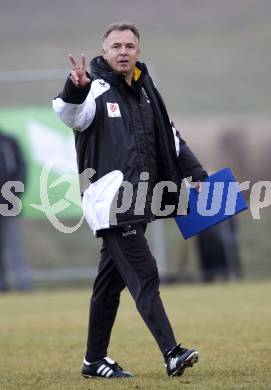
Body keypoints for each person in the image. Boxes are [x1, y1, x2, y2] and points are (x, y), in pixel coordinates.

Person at [53, 22, 208, 379]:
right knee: (145, 273)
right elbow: (71, 114)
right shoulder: (94, 88)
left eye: (130, 46)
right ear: (104, 52)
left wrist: (198, 176)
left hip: (143, 201)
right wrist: (73, 89)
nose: (123, 51)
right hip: (112, 203)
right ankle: (172, 351)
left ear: (138, 51)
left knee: (108, 287)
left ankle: (93, 361)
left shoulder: (147, 91)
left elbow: (171, 138)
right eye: (116, 46)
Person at [0, 129, 31, 292]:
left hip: (9, 203)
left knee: (14, 246)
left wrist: (13, 194)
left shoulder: (9, 141)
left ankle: (23, 284)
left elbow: (21, 169)